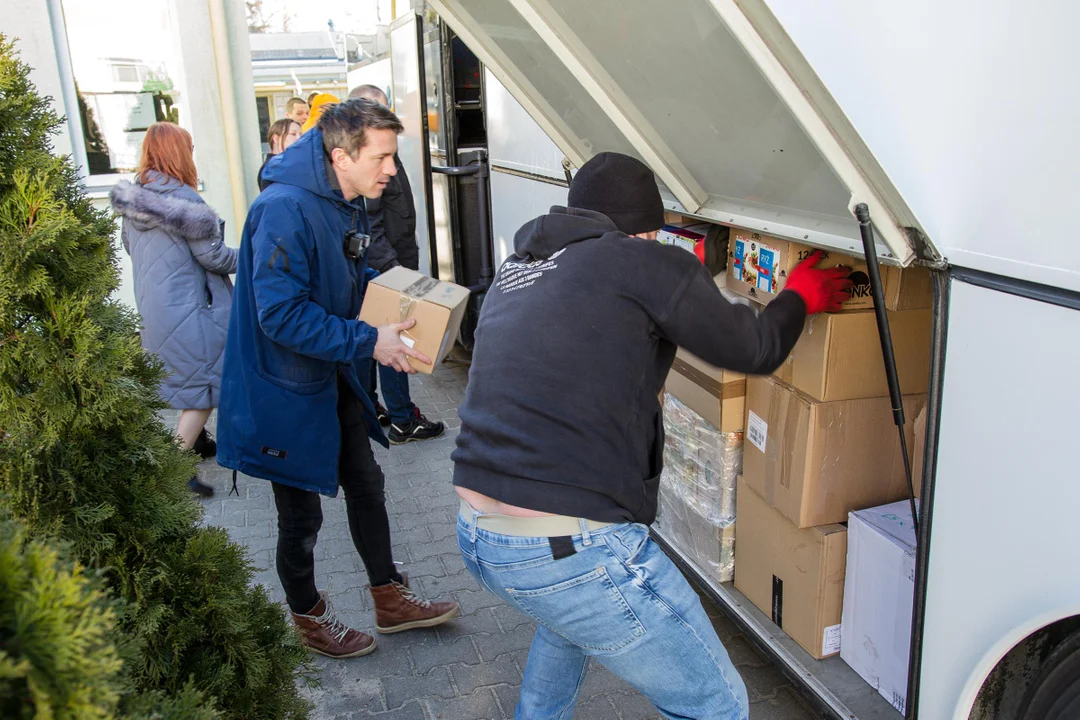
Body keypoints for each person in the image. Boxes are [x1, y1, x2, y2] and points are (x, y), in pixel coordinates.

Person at [451, 152, 853, 719]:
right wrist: (799, 296)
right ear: (649, 228)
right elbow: (753, 348)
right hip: (571, 545)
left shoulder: (522, 267)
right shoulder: (645, 263)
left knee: (570, 624)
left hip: (480, 535)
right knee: (716, 704)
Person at [216, 99, 460, 659]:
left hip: (332, 378)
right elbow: (278, 314)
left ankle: (389, 598)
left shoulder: (342, 200)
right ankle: (309, 617)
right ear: (340, 156)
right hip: (285, 389)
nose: (392, 170)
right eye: (384, 157)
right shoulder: (283, 208)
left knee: (367, 484)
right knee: (300, 516)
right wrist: (370, 340)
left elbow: (348, 275)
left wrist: (398, 295)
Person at [110, 122, 238, 498]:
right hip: (191, 310)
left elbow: (131, 249)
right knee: (203, 385)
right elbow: (214, 256)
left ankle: (198, 443)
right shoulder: (186, 202)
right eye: (190, 148)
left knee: (187, 377)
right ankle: (176, 469)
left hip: (156, 309)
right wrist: (253, 256)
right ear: (178, 153)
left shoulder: (134, 200)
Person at [348, 84, 445, 444]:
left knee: (379, 339)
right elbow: (371, 225)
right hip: (386, 269)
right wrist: (397, 272)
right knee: (393, 340)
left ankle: (376, 409)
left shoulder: (381, 151)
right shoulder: (368, 160)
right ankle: (402, 418)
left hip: (392, 263)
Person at [259, 118, 302, 191]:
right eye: (293, 134)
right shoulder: (271, 169)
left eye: (301, 134)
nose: (299, 138)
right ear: (276, 138)